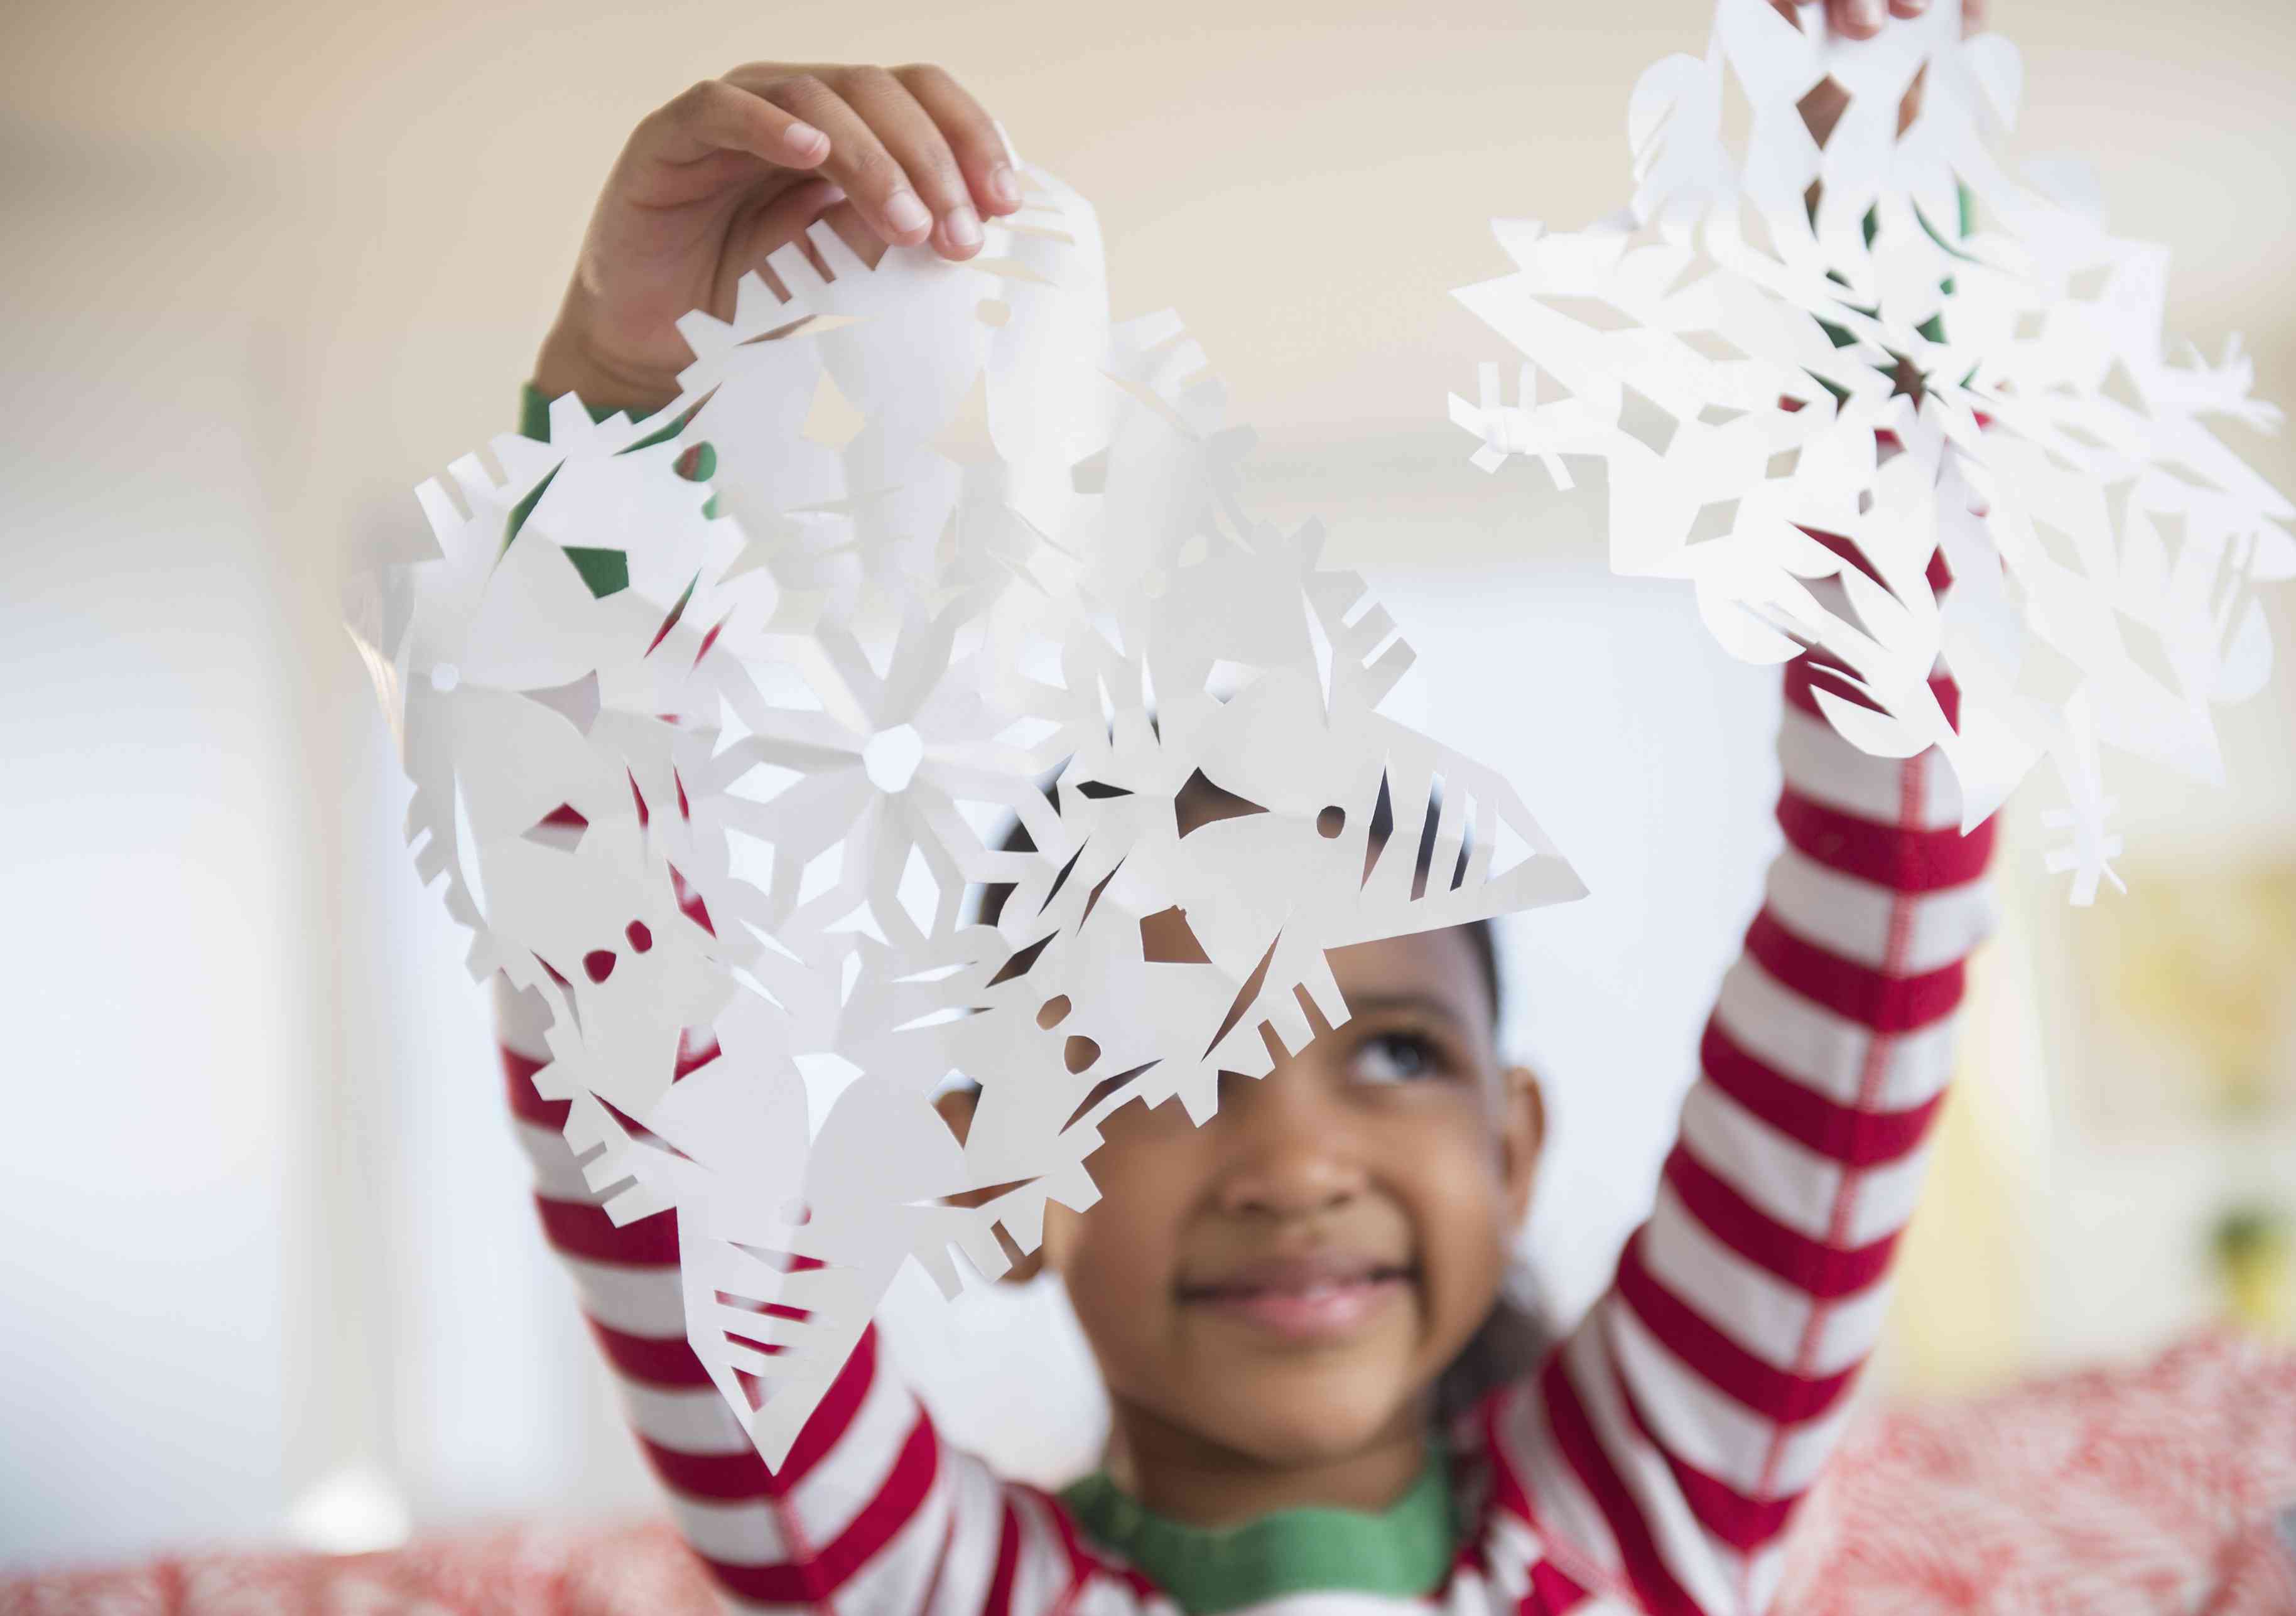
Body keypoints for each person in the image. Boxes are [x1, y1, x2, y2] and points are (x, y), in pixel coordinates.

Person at [499, 3, 1998, 1610]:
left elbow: (1891, 874)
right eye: (1163, 1057)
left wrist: (1861, 242)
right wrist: (624, 399)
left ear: (1512, 1145)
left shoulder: (1652, 1503)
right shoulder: (929, 1585)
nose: (1294, 1165)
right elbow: (634, 1062)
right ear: (994, 1184)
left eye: (1397, 1053)